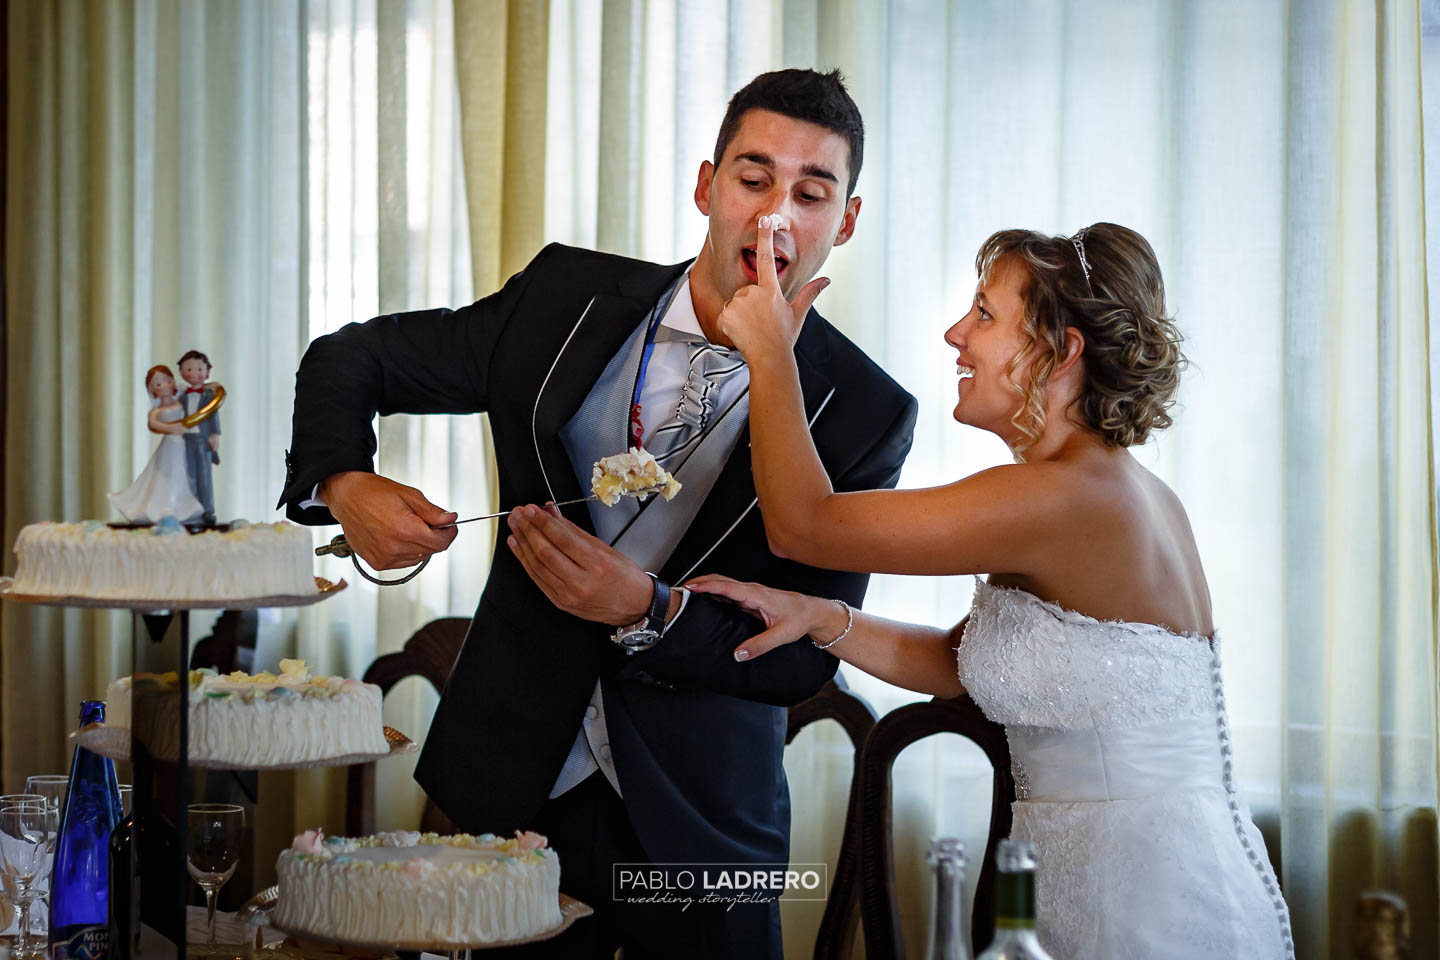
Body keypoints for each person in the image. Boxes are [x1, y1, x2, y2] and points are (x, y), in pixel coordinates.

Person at [277, 69, 918, 957]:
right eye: (753, 178)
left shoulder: (865, 410)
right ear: (706, 185)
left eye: (811, 194)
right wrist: (346, 483)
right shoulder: (562, 300)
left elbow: (803, 658)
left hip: (702, 829)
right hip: (509, 788)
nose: (775, 217)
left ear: (844, 221)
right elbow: (352, 360)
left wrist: (649, 611)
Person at [684, 222, 1295, 959]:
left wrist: (772, 353)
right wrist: (823, 617)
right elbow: (964, 661)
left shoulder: (1067, 499)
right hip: (1082, 886)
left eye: (983, 314)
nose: (954, 334)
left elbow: (804, 527)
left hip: (1150, 908)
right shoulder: (1094, 490)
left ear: (1061, 350)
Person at [109, 365, 205, 524]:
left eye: (167, 381)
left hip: (186, 443)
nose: (164, 386)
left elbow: (197, 390)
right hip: (171, 444)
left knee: (187, 474)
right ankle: (169, 508)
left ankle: (184, 507)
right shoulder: (156, 411)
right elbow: (153, 425)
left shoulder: (182, 400)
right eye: (158, 384)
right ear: (153, 390)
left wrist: (211, 386)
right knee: (170, 475)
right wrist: (172, 427)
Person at [177, 349, 222, 524]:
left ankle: (208, 511)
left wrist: (215, 434)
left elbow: (213, 415)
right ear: (181, 372)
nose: (194, 373)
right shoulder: (182, 395)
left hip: (202, 440)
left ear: (207, 372)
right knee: (189, 476)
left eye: (199, 369)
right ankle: (192, 510)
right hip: (186, 440)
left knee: (204, 476)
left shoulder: (210, 395)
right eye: (188, 369)